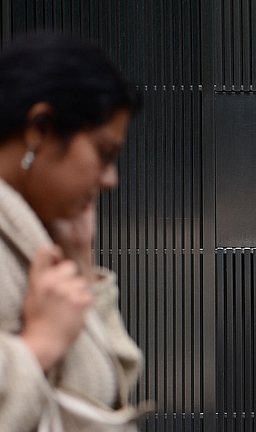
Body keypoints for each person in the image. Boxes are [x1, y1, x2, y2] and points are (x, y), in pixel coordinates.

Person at [0, 33, 145, 431]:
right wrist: (38, 346)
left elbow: (111, 393)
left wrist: (82, 264)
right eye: (104, 153)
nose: (110, 179)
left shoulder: (40, 239)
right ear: (40, 129)